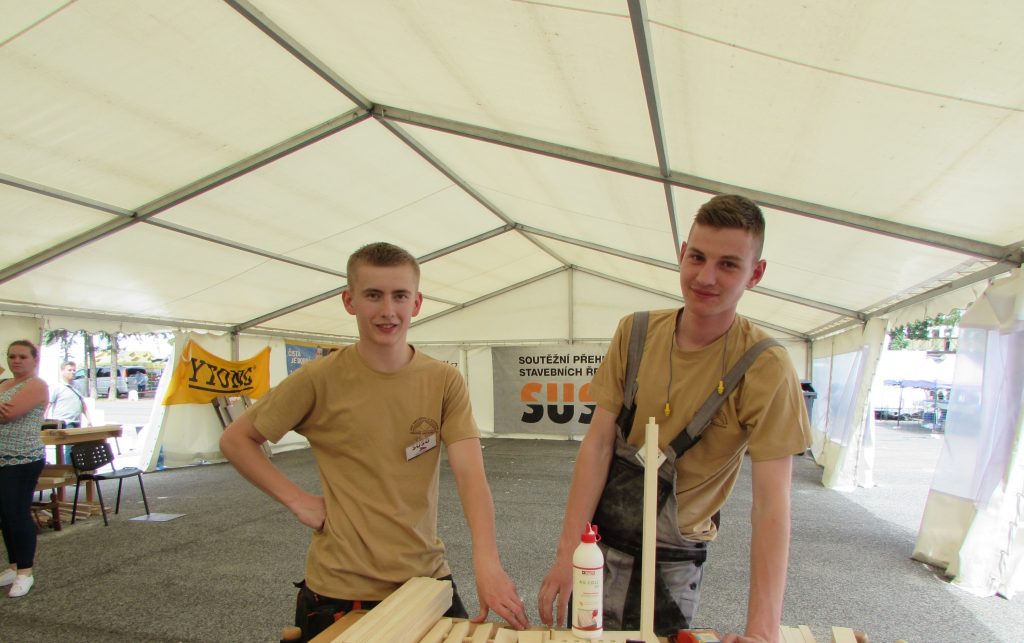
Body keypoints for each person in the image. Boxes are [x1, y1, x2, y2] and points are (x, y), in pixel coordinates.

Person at [220, 242, 528, 641]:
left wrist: (487, 563)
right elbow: (237, 440)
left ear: (417, 303)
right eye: (373, 295)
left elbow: (471, 476)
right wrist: (298, 501)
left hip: (426, 579)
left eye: (399, 296)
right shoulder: (318, 379)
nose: (388, 310)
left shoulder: (444, 381)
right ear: (350, 301)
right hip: (339, 589)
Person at [538, 195, 811, 642]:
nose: (706, 277)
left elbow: (771, 506)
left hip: (673, 562)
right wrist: (569, 554)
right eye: (698, 257)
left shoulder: (765, 365)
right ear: (682, 253)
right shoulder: (636, 332)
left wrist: (762, 632)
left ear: (756, 273)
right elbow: (598, 445)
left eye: (728, 265)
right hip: (598, 547)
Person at [0, 339, 49, 598]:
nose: (16, 361)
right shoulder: (4, 384)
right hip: (1, 458)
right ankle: (13, 565)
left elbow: (8, 414)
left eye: (22, 356)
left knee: (17, 513)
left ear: (34, 359)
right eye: (12, 356)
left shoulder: (37, 385)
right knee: (4, 516)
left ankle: (25, 572)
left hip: (22, 459)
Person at [46, 360, 92, 429]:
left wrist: (89, 420)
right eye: (69, 370)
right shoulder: (56, 387)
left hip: (77, 422)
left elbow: (83, 404)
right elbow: (47, 406)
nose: (72, 372)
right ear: (62, 371)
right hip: (63, 424)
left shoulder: (77, 386)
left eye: (74, 370)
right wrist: (44, 422)